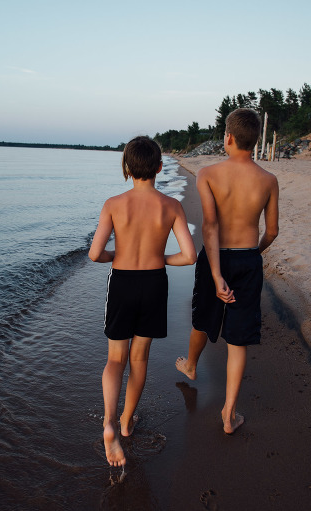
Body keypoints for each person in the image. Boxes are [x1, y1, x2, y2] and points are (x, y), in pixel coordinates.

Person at [89, 136, 197, 467]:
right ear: (160, 168)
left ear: (126, 168)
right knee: (139, 359)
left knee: (115, 359)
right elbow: (189, 255)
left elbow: (95, 254)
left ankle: (108, 423)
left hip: (122, 282)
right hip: (153, 284)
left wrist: (115, 254)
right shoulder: (171, 206)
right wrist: (162, 259)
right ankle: (126, 422)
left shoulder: (113, 203)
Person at [175, 108, 279, 435]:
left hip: (215, 258)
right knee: (238, 340)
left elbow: (210, 225)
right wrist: (252, 256)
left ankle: (190, 364)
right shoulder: (268, 180)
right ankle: (229, 414)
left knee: (204, 316)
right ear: (256, 140)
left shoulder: (208, 174)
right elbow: (272, 232)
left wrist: (218, 274)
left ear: (228, 137)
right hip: (247, 258)